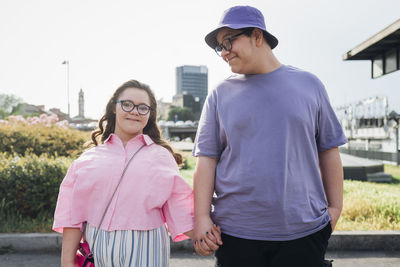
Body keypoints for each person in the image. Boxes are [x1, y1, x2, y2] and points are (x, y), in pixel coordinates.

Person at [192, 5, 347, 267]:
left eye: (229, 41)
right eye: (219, 47)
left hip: (304, 232)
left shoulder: (310, 85)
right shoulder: (220, 94)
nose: (224, 52)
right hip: (236, 233)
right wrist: (202, 218)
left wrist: (335, 210)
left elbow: (329, 151)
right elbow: (206, 160)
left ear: (257, 35)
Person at [53, 79, 194, 267]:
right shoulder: (87, 160)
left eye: (143, 107)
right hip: (97, 250)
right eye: (127, 104)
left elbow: (181, 208)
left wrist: (207, 236)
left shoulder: (161, 157)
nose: (135, 111)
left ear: (150, 115)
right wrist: (67, 262)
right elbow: (72, 216)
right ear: (114, 107)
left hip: (147, 248)